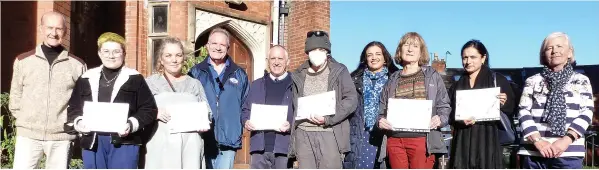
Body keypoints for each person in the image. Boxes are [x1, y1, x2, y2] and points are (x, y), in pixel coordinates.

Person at [65, 32, 158, 169]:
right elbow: (74, 107)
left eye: (116, 51)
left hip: (124, 142)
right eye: (106, 51)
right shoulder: (86, 78)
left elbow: (149, 109)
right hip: (93, 140)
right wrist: (79, 122)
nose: (111, 55)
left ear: (124, 54)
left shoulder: (135, 78)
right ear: (99, 53)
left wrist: (131, 124)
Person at [10, 11, 86, 169]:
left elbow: (83, 100)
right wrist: (26, 120)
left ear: (65, 31)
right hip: (28, 135)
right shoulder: (23, 61)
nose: (54, 33)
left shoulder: (77, 65)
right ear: (41, 29)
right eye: (50, 27)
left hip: (61, 137)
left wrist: (71, 125)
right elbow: (15, 95)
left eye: (59, 28)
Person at [518, 32, 594, 169]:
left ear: (570, 52)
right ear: (543, 54)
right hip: (534, 152)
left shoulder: (581, 80)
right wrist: (538, 141)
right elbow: (523, 111)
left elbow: (587, 112)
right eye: (549, 48)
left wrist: (565, 140)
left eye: (559, 46)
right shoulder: (532, 81)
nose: (554, 51)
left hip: (569, 152)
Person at [377, 32, 451, 169]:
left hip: (423, 140)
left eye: (415, 46)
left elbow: (444, 105)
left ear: (421, 52)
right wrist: (380, 120)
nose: (410, 49)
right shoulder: (392, 79)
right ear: (400, 50)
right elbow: (381, 110)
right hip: (395, 140)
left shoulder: (432, 76)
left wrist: (441, 119)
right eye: (406, 45)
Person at [288, 30, 358, 169]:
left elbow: (351, 99)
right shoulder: (298, 74)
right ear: (307, 52)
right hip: (303, 133)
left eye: (321, 49)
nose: (317, 52)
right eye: (313, 49)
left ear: (327, 51)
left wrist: (328, 118)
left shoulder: (339, 71)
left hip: (330, 132)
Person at [187, 27, 250, 169]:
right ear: (207, 46)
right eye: (214, 43)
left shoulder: (239, 74)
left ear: (228, 47)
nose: (218, 47)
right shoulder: (195, 73)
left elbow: (246, 105)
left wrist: (243, 124)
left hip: (228, 139)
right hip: (202, 137)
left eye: (222, 45)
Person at [144, 37, 212, 169]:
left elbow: (207, 112)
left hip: (190, 146)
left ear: (183, 58)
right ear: (161, 59)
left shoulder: (194, 84)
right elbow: (140, 112)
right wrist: (154, 113)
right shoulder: (151, 83)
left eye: (178, 55)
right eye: (168, 55)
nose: (174, 60)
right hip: (161, 146)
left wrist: (205, 121)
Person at [447, 39, 516, 168]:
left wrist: (505, 102)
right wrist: (460, 120)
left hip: (488, 138)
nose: (468, 62)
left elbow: (511, 108)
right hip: (463, 140)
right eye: (464, 58)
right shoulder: (457, 84)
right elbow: (449, 114)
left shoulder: (497, 79)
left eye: (473, 57)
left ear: (483, 58)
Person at [344, 41, 399, 169]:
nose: (374, 57)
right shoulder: (353, 80)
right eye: (370, 55)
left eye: (378, 54)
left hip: (385, 135)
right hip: (360, 136)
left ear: (385, 58)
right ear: (365, 59)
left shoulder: (395, 80)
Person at [241, 45, 294, 169]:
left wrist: (291, 124)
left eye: (280, 59)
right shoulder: (256, 85)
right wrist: (246, 121)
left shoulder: (295, 85)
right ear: (267, 61)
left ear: (287, 61)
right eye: (272, 58)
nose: (276, 62)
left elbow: (300, 113)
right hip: (259, 149)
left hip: (284, 148)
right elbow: (245, 110)